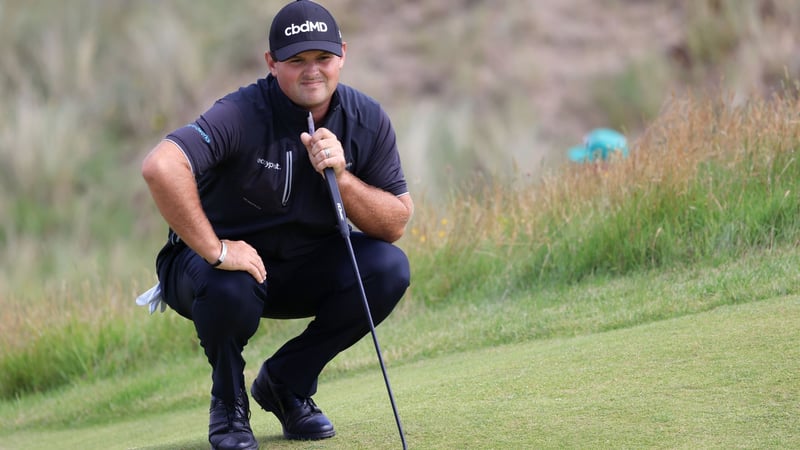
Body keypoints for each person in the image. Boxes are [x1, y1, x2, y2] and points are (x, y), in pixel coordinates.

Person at [140, 1, 413, 448]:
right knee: (229, 286)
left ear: (342, 54)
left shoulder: (366, 119)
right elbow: (161, 167)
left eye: (323, 58)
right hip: (207, 271)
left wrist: (342, 178)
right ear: (271, 63)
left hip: (298, 268)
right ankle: (228, 408)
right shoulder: (241, 113)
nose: (312, 72)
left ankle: (286, 383)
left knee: (388, 269)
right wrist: (218, 250)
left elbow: (396, 223)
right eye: (296, 61)